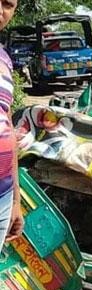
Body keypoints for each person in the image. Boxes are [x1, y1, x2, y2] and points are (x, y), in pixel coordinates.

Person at [0, 0, 24, 248]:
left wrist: (16, 199)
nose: (0, 11)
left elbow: (7, 126)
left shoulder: (4, 59)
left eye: (8, 4)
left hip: (3, 195)